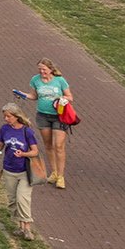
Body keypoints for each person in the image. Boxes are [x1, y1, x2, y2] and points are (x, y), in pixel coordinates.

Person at [0, 103, 40, 240]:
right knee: (13, 201)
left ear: (16, 116)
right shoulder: (4, 129)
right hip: (9, 170)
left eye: (8, 116)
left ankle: (27, 229)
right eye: (5, 116)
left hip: (24, 172)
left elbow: (35, 151)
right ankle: (21, 227)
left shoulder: (27, 132)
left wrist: (23, 154)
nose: (6, 119)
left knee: (23, 199)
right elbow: (0, 146)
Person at [29, 59, 73, 188]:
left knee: (58, 146)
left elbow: (70, 97)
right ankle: (54, 172)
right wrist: (22, 95)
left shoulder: (60, 81)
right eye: (40, 69)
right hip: (43, 116)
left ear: (51, 69)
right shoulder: (35, 80)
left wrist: (62, 99)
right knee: (48, 145)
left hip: (59, 116)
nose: (42, 72)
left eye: (44, 69)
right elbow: (34, 96)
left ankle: (61, 176)